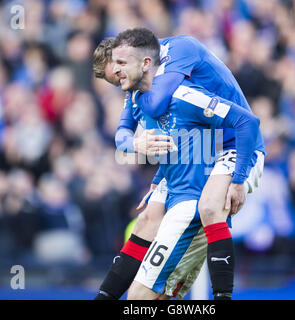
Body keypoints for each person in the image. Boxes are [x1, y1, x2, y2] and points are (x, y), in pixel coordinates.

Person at [93, 28, 265, 300]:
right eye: (113, 79)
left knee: (209, 207)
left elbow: (160, 105)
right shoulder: (140, 87)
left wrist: (239, 179)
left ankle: (222, 297)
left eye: (118, 72)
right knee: (147, 218)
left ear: (138, 59)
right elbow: (124, 133)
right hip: (198, 153)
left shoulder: (176, 69)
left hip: (235, 143)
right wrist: (155, 165)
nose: (118, 83)